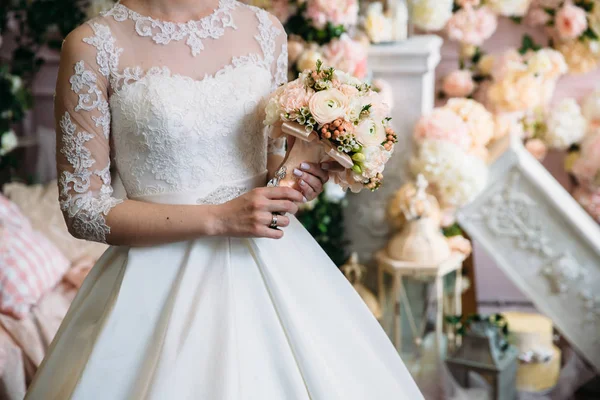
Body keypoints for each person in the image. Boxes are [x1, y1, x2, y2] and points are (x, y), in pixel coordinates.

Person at [25, 0, 424, 398]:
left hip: (274, 262)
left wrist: (298, 174)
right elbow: (84, 209)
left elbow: (267, 157)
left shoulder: (265, 29)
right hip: (155, 275)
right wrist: (220, 218)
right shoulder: (92, 45)